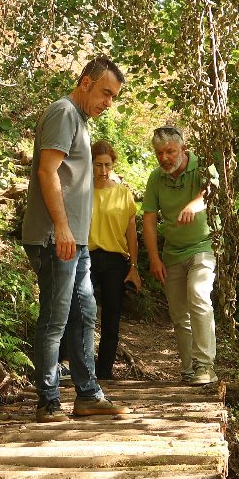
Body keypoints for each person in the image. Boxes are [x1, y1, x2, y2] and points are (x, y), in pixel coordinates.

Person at [20, 57, 130, 422]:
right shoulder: (64, 113)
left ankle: (87, 395)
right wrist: (62, 228)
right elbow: (47, 171)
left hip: (75, 241)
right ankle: (48, 400)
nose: (108, 102)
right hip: (56, 238)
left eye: (113, 97)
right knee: (56, 317)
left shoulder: (80, 121)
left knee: (83, 313)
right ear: (85, 82)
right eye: (105, 93)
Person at [141, 125, 218, 385]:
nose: (164, 158)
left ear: (183, 149)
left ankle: (205, 366)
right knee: (179, 314)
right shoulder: (156, 178)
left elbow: (212, 191)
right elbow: (149, 219)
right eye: (159, 153)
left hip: (203, 246)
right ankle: (189, 368)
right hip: (172, 253)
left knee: (198, 295)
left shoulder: (203, 166)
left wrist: (194, 205)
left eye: (170, 152)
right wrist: (154, 257)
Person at [86, 140, 141, 380]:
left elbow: (131, 234)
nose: (103, 170)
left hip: (116, 261)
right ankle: (81, 369)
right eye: (98, 164)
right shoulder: (82, 190)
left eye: (107, 165)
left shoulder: (122, 193)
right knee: (82, 314)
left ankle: (105, 372)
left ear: (113, 164)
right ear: (90, 163)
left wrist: (134, 267)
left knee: (112, 316)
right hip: (86, 258)